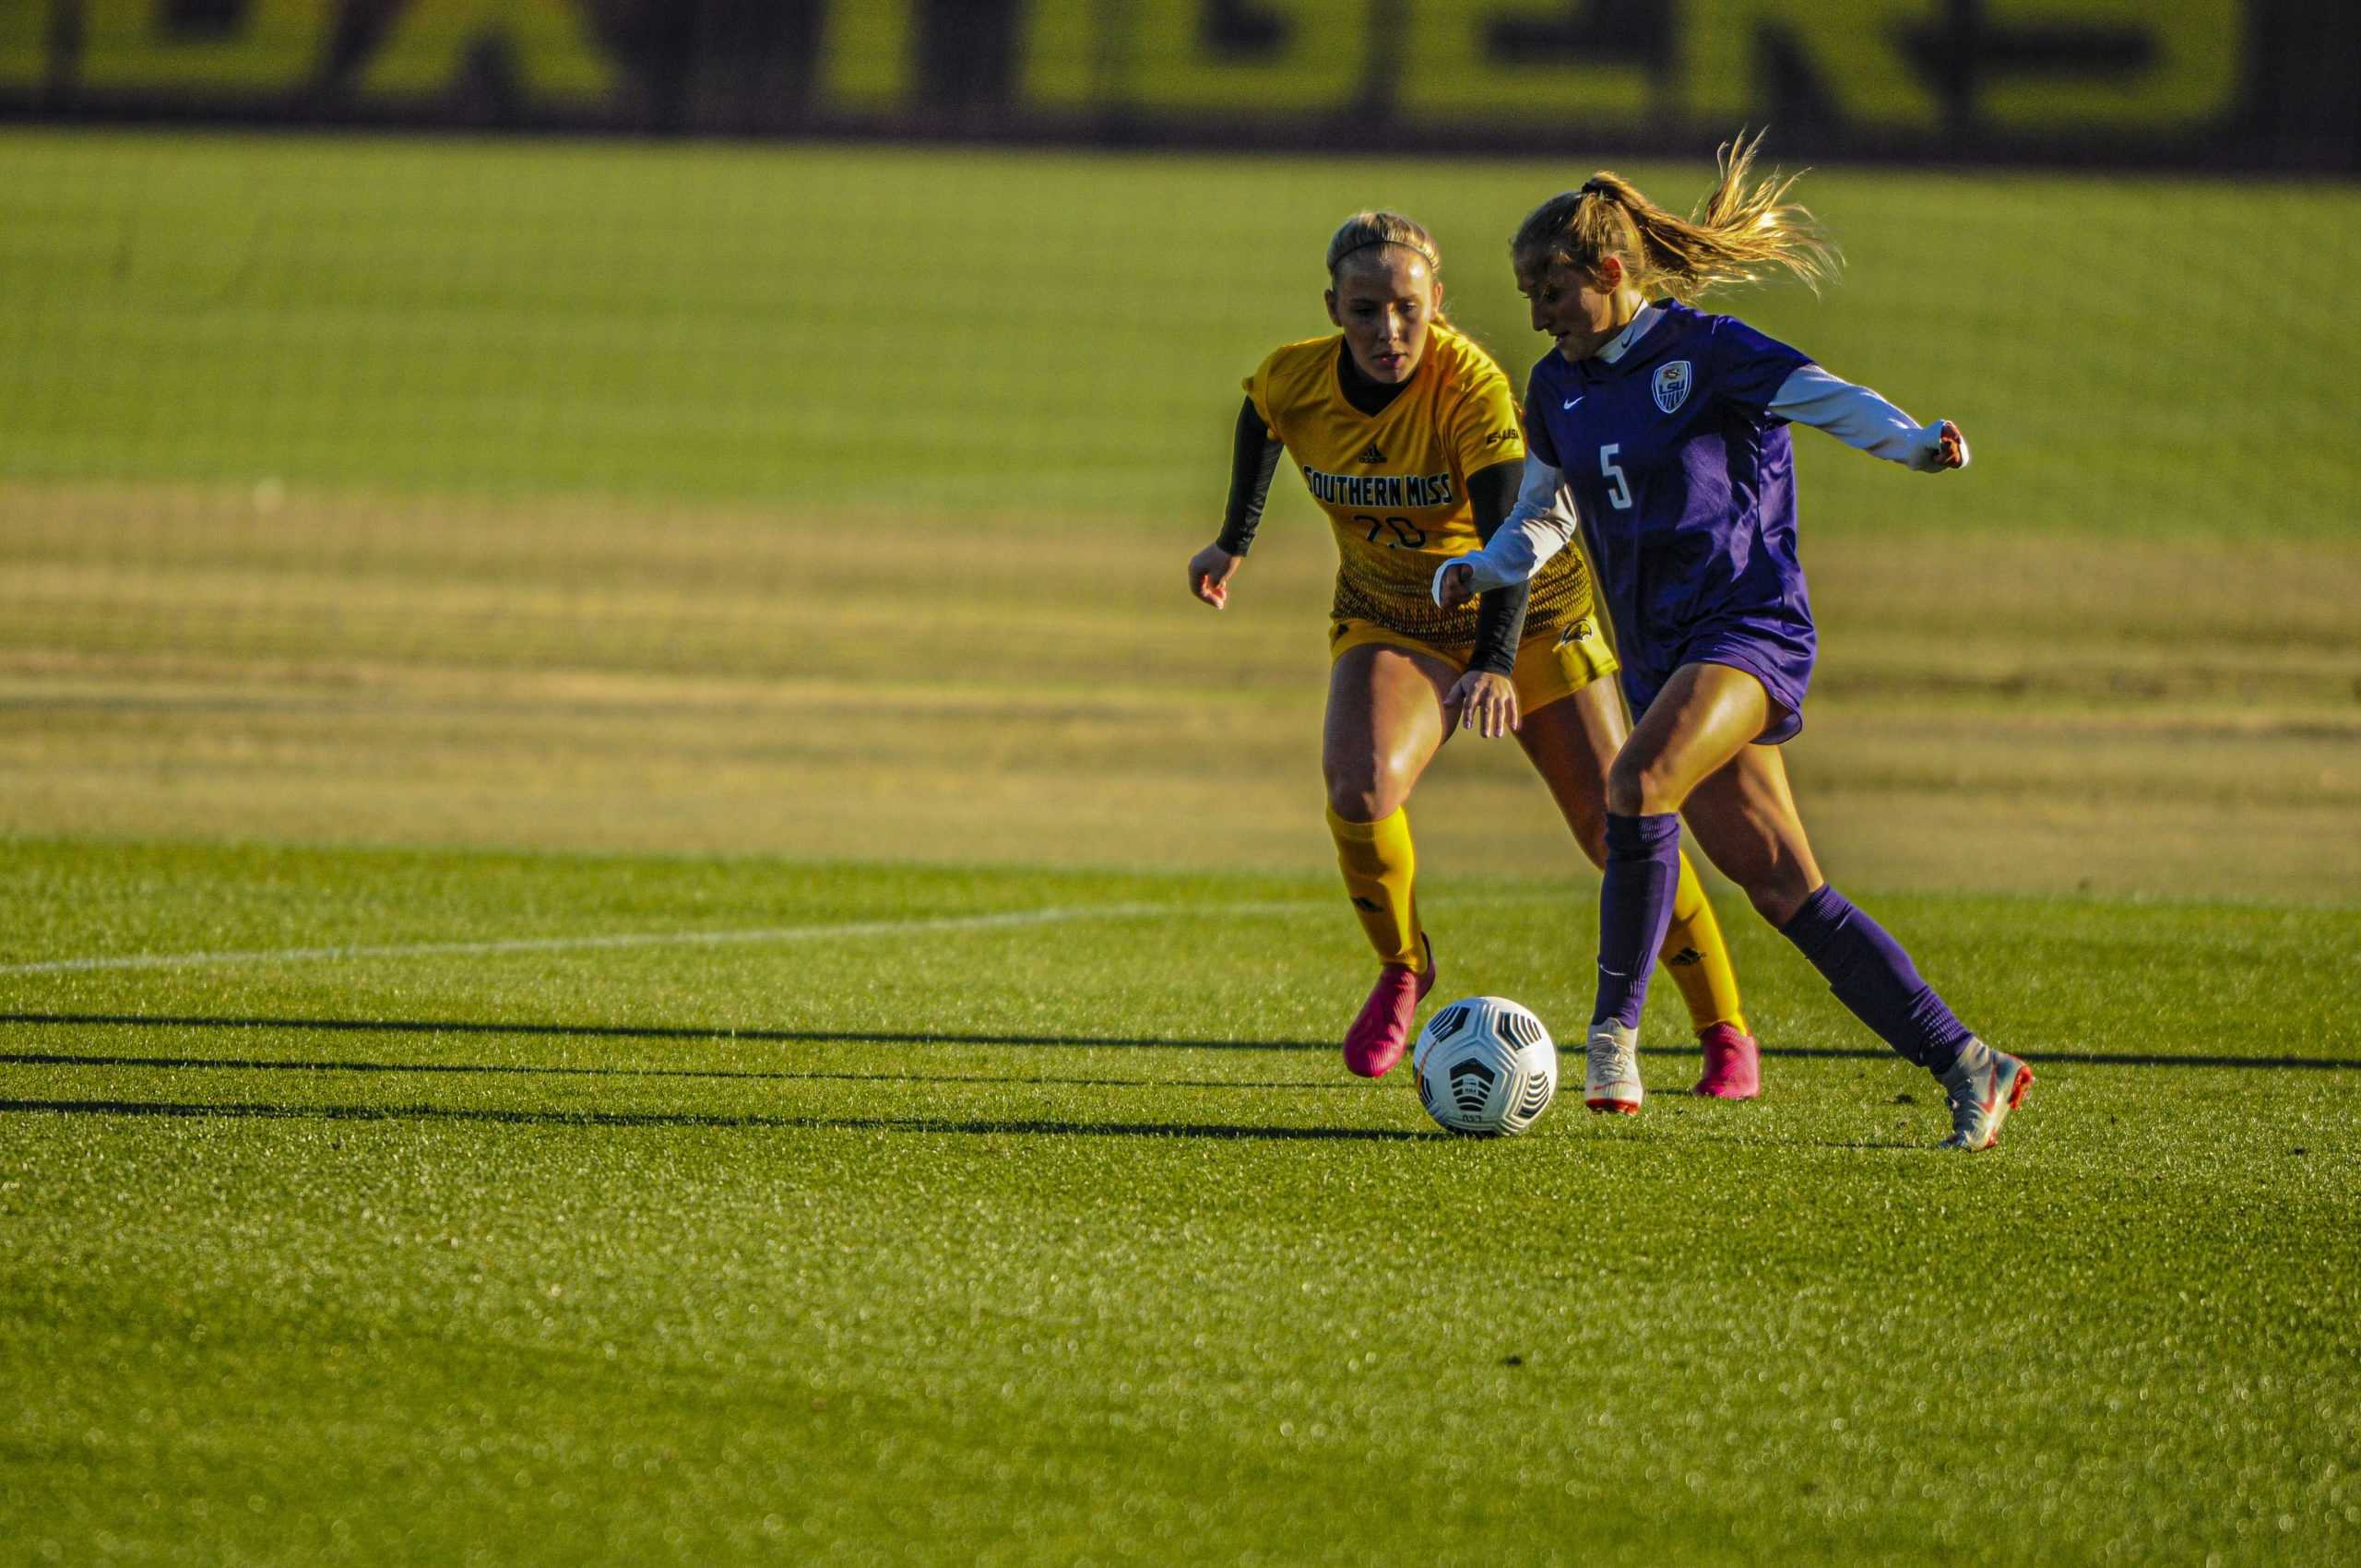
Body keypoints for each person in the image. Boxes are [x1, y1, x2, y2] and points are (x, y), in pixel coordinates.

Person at [1435, 136, 2032, 1149]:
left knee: (1635, 782)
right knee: (1784, 887)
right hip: (1663, 655)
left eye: (1550, 288)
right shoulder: (1556, 384)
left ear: (1611, 273)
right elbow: (1548, 510)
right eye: (1526, 290)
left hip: (1748, 626)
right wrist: (1493, 563)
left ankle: (1613, 1034)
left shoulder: (1705, 351)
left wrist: (1915, 443)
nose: (1534, 311)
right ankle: (1970, 1060)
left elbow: (1822, 395)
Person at [1188, 210, 1763, 1096]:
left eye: (1407, 310)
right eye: (1365, 309)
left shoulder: (1473, 389)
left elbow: (1512, 538)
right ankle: (1404, 968)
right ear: (1333, 308)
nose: (1389, 330)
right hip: (1395, 610)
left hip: (1529, 612)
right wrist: (1235, 540)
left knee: (1620, 825)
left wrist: (1495, 666)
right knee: (1359, 783)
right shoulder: (1296, 377)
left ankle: (1722, 1027)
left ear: (1438, 303)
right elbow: (1261, 417)